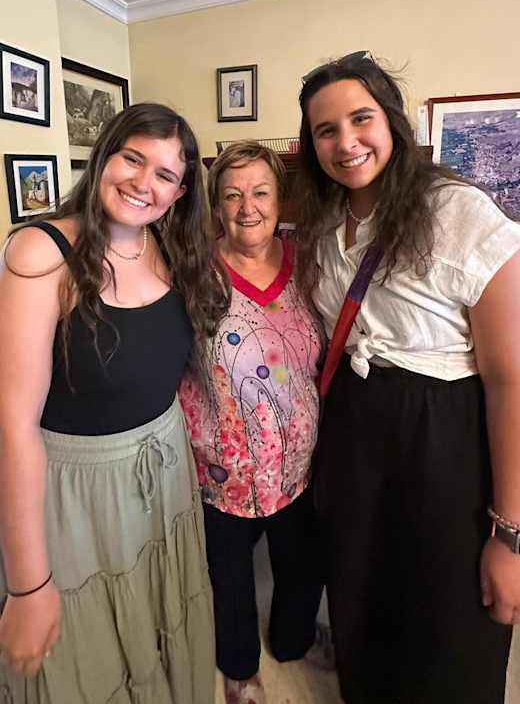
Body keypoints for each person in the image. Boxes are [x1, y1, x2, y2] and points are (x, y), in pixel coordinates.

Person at [295, 51, 520, 704]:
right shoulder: (326, 223)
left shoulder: (460, 213)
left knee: (448, 612)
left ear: (392, 120)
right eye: (325, 130)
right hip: (355, 431)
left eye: (360, 118)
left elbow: (510, 381)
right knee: (363, 595)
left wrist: (509, 534)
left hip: (442, 433)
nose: (345, 142)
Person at [0, 102, 229, 703]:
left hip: (165, 475)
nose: (143, 183)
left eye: (165, 174)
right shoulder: (42, 252)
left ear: (181, 192)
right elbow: (13, 424)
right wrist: (28, 587)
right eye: (133, 158)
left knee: (163, 627)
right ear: (104, 155)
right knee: (88, 656)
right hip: (78, 494)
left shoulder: (169, 247)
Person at [179, 140, 325, 704]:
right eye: (232, 194)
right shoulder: (190, 272)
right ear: (216, 205)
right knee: (230, 580)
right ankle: (238, 667)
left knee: (302, 567)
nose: (248, 207)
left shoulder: (308, 258)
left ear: (278, 197)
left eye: (260, 192)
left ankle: (295, 641)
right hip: (221, 471)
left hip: (300, 464)